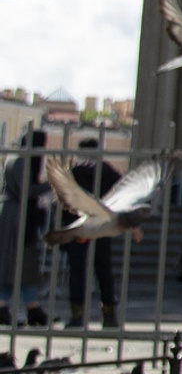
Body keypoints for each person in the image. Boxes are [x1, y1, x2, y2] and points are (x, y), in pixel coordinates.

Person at [63, 135, 121, 330]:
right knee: (104, 270)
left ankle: (77, 315)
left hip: (78, 227)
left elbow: (64, 201)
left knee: (77, 270)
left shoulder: (75, 171)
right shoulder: (108, 172)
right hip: (101, 226)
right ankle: (109, 315)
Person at [0, 128, 50, 328]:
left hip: (13, 215)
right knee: (18, 262)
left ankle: (31, 307)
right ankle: (29, 307)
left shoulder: (15, 158)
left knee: (16, 264)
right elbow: (27, 190)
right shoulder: (22, 160)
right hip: (17, 218)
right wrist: (51, 184)